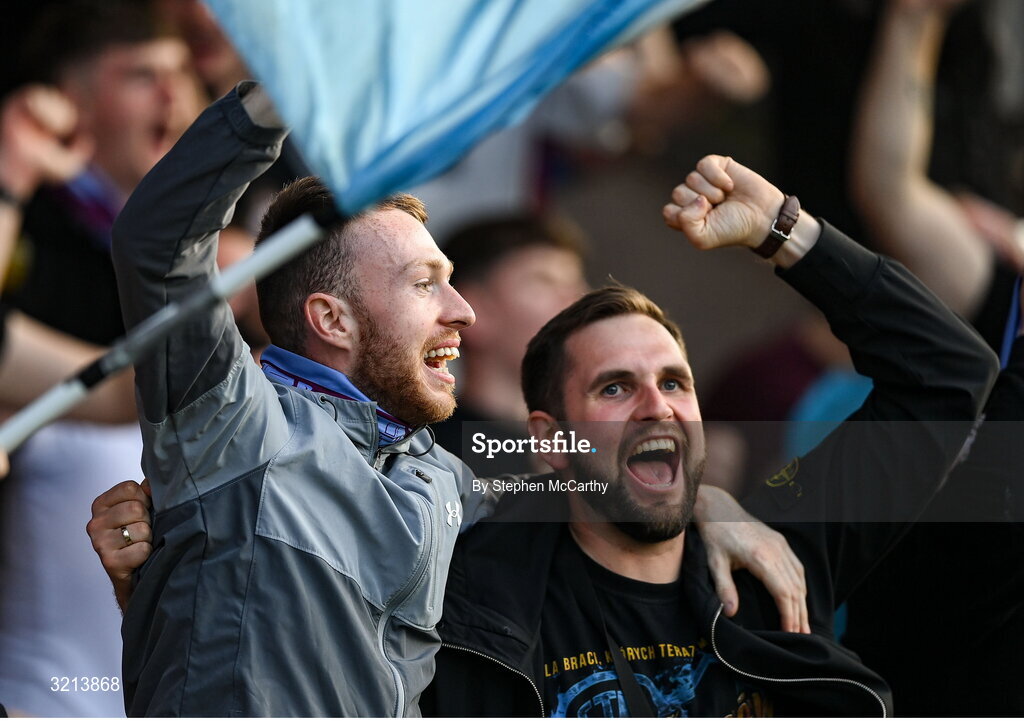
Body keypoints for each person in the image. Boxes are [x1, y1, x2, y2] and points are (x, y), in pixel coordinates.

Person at [99, 82, 806, 717]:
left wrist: (710, 502)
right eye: (424, 283)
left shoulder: (446, 475)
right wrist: (271, 99)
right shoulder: (230, 420)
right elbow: (158, 249)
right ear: (331, 319)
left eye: (453, 280)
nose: (462, 310)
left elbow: (580, 484)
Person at [419, 155, 998, 716]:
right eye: (615, 389)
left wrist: (785, 232)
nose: (657, 408)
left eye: (675, 383)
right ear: (551, 440)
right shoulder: (478, 594)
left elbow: (948, 373)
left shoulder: (774, 561)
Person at [0, 3, 201, 715]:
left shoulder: (236, 252)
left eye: (182, 74)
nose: (174, 96)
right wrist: (11, 175)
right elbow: (122, 393)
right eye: (142, 75)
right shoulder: (36, 236)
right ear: (70, 99)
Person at [431, 214, 588, 475]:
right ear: (474, 309)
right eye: (544, 281)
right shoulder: (428, 458)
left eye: (576, 285)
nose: (576, 301)